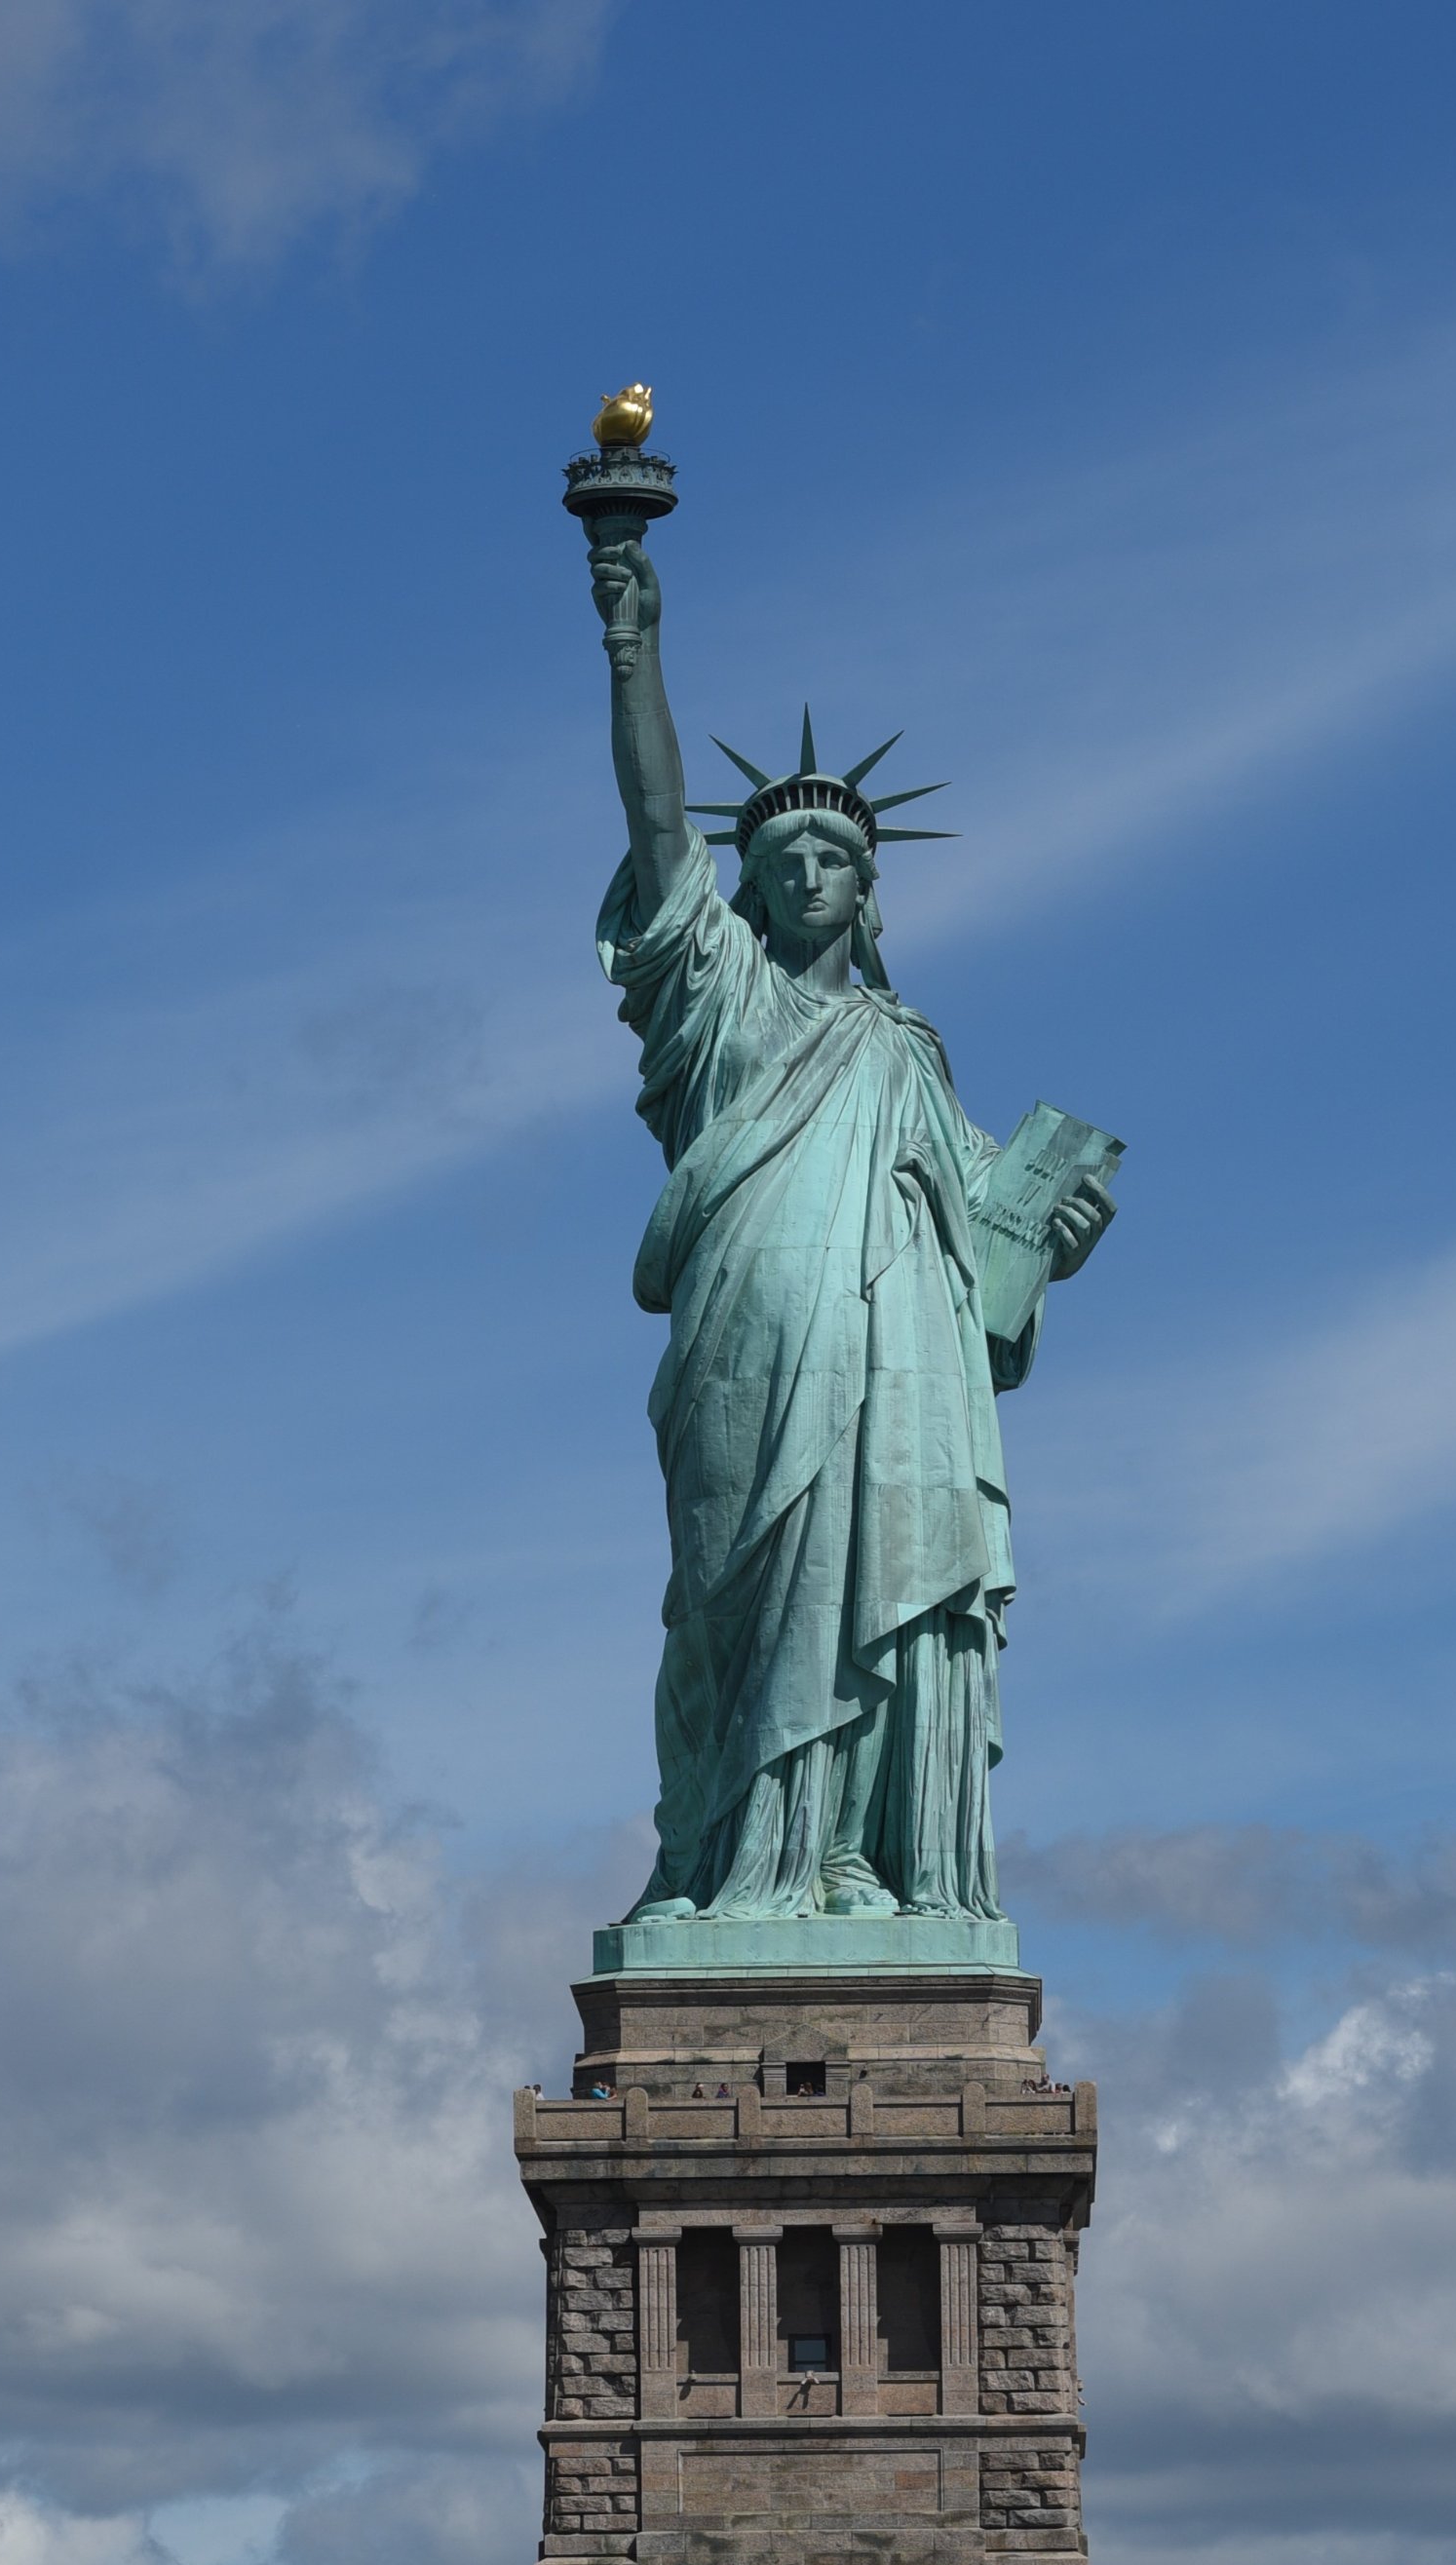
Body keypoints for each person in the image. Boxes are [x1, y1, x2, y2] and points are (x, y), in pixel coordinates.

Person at [580, 513, 1117, 1933]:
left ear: (870, 893)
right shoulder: (718, 1001)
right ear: (747, 887)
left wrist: (1056, 1230)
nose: (810, 870)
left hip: (901, 1369)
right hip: (751, 1348)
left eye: (835, 853)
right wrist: (634, 646)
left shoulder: (907, 1052)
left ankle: (855, 1858)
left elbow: (993, 1230)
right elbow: (655, 827)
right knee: (738, 1598)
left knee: (890, 1579)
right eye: (784, 854)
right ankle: (728, 1865)